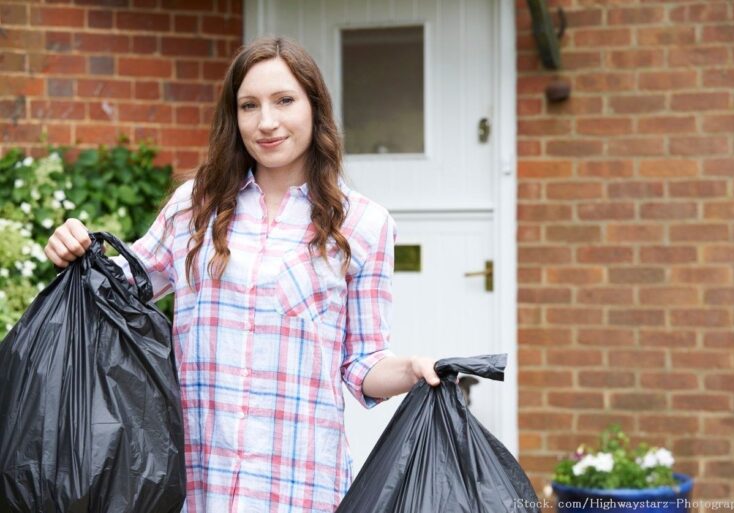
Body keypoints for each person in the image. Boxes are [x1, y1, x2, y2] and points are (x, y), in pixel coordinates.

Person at [44, 37, 440, 513]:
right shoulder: (195, 206)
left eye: (284, 101)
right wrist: (74, 248)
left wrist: (412, 370)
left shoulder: (364, 225)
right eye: (249, 105)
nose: (266, 122)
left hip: (299, 485)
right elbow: (117, 286)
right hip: (194, 482)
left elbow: (362, 364)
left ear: (315, 108)